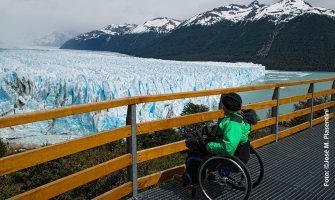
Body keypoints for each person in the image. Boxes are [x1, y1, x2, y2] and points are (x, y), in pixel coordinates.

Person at [173, 93, 252, 194]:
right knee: (201, 144)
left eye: (223, 105)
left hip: (225, 157)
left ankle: (189, 179)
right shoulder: (241, 117)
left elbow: (227, 148)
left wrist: (209, 145)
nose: (222, 107)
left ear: (227, 106)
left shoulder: (233, 124)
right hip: (238, 152)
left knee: (193, 153)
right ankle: (208, 174)